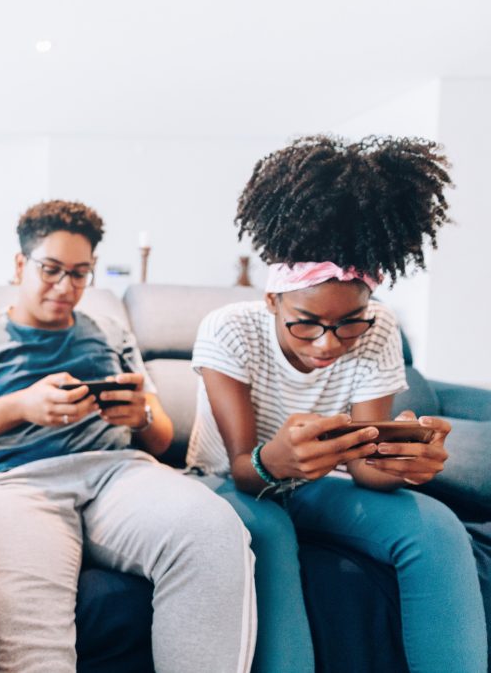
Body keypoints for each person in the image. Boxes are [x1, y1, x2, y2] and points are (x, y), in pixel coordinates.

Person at [188, 135, 487, 673]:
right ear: (273, 299)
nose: (328, 343)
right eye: (306, 323)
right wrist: (272, 461)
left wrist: (403, 464)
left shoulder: (380, 330)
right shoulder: (229, 330)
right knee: (271, 535)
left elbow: (366, 469)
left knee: (436, 526)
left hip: (323, 487)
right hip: (228, 481)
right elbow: (241, 469)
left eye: (349, 322)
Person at [0, 200, 256, 672]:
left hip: (118, 473)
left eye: (80, 273)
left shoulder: (110, 330)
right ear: (20, 264)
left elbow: (162, 435)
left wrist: (140, 416)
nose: (66, 287)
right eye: (51, 270)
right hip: (16, 483)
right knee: (24, 617)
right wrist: (21, 406)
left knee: (213, 532)